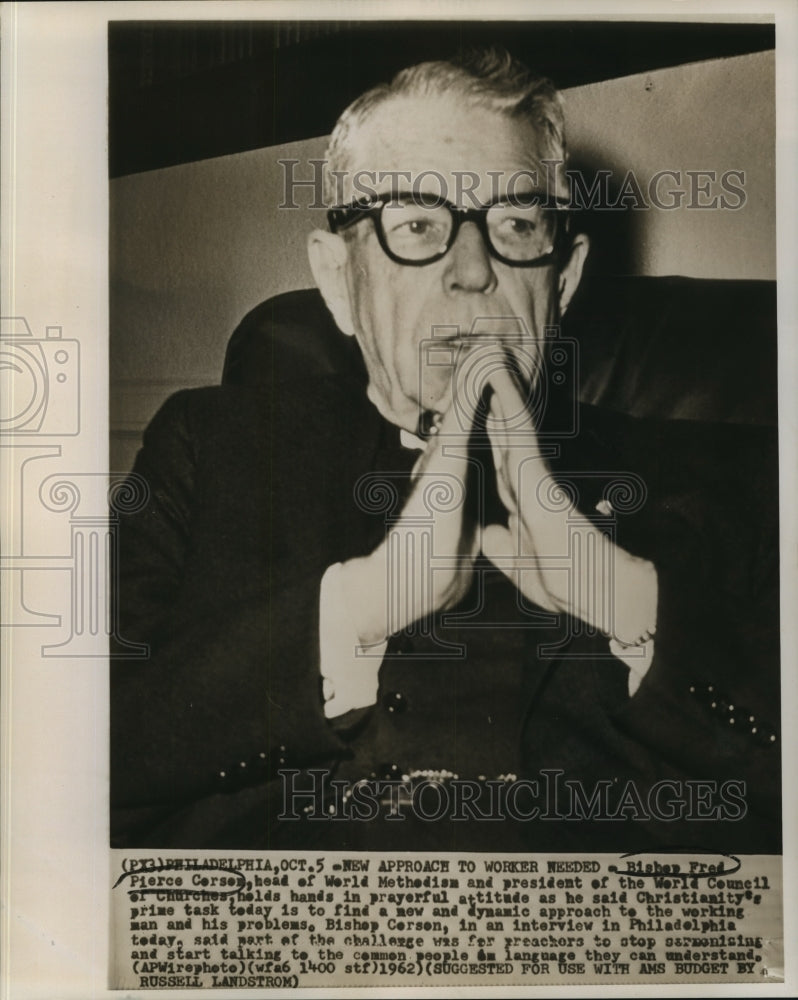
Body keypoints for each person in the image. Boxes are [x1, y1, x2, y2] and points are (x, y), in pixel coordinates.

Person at [111, 50, 780, 852]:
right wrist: (353, 611)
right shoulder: (206, 448)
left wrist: (635, 609)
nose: (475, 271)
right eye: (419, 224)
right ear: (336, 279)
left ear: (561, 282)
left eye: (517, 226)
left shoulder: (735, 479)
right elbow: (61, 759)